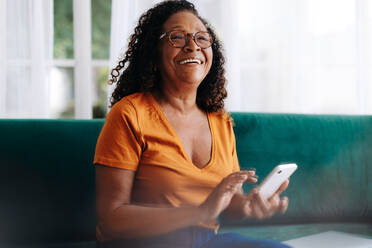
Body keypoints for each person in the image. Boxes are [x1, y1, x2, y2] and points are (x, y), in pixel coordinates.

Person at [94, 1, 291, 247]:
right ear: (154, 53)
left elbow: (228, 205)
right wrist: (199, 212)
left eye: (202, 38)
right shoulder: (129, 114)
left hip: (207, 241)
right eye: (177, 37)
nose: (192, 46)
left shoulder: (220, 120)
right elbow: (111, 217)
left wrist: (250, 205)